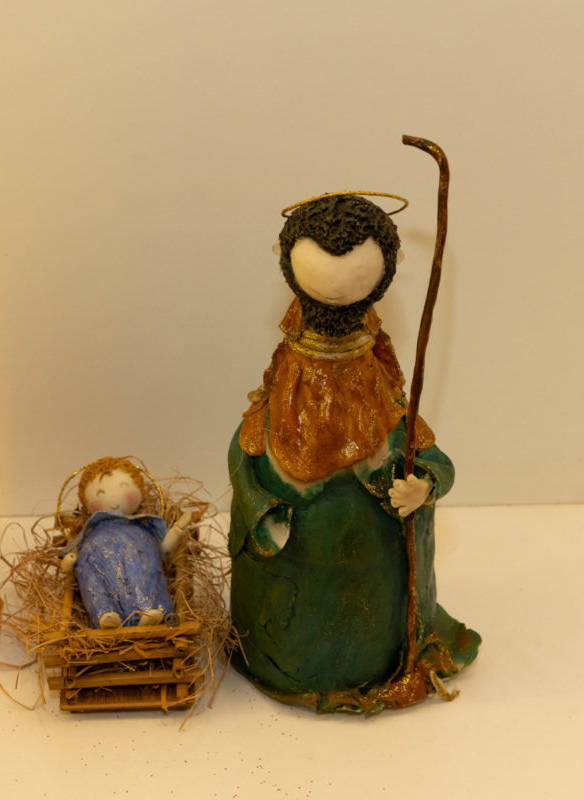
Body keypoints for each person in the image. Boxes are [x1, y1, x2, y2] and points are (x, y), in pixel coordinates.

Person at [228, 194, 479, 712]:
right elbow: (243, 457)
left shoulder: (384, 404)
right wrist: (259, 508)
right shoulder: (275, 408)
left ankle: (374, 659)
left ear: (389, 267)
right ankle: (284, 662)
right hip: (291, 593)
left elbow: (436, 462)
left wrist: (424, 486)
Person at [60, 457, 193, 628]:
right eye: (100, 494)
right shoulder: (91, 532)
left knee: (144, 574)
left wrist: (177, 530)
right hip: (100, 565)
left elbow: (162, 553)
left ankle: (149, 612)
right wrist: (70, 560)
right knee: (93, 579)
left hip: (139, 563)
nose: (113, 498)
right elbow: (71, 556)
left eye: (124, 487)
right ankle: (106, 615)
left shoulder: (145, 528)